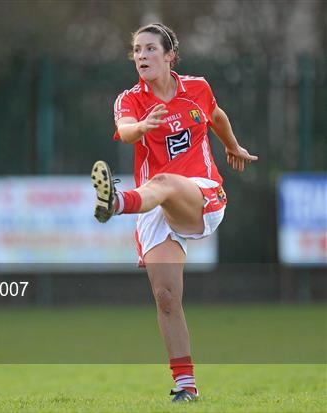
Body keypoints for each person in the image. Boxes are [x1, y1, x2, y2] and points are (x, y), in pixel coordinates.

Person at [91, 23, 258, 403]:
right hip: (155, 206)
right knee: (166, 297)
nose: (141, 56)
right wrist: (141, 126)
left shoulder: (196, 87)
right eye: (136, 50)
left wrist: (233, 147)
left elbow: (216, 116)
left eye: (150, 49)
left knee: (164, 181)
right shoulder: (130, 98)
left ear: (170, 56)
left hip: (201, 194)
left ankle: (116, 203)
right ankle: (186, 386)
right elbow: (126, 129)